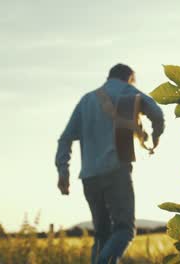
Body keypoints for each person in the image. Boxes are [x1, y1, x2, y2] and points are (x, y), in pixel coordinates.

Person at [54, 64, 165, 264]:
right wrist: (155, 137)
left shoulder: (87, 100)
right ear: (129, 77)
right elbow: (157, 113)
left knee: (102, 234)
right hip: (116, 172)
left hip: (89, 177)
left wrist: (63, 171)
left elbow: (65, 139)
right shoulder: (127, 90)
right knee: (125, 230)